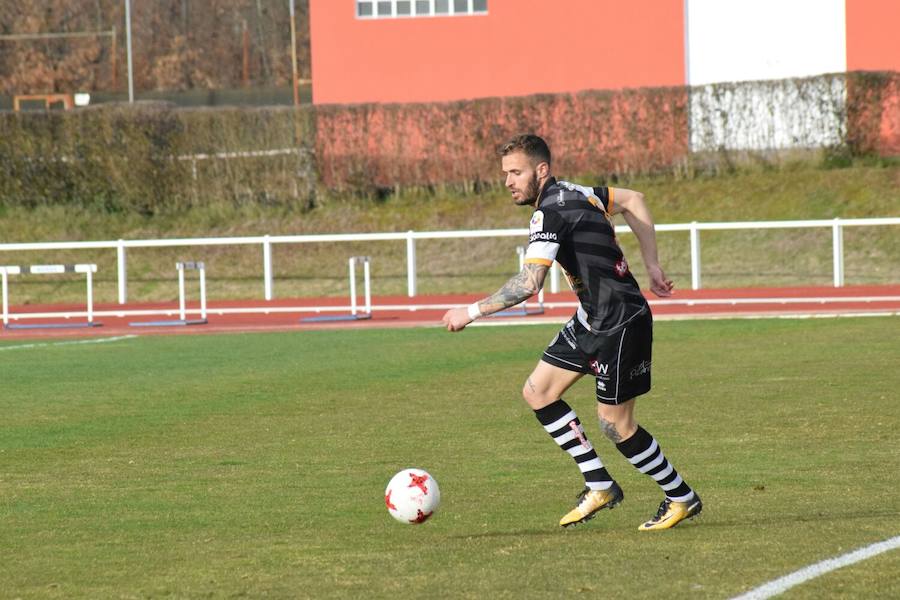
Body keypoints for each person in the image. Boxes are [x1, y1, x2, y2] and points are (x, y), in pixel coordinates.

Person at [442, 134, 702, 530]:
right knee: (538, 392)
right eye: (505, 174)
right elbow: (634, 199)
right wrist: (652, 265)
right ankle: (599, 484)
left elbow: (530, 283)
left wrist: (471, 311)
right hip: (590, 318)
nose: (508, 182)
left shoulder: (548, 213)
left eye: (516, 172)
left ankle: (680, 496)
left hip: (620, 321)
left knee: (616, 425)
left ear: (541, 170)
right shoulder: (579, 192)